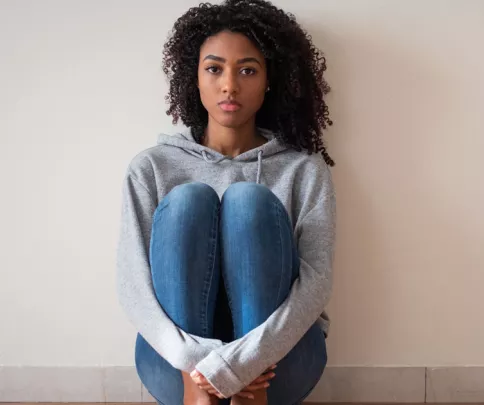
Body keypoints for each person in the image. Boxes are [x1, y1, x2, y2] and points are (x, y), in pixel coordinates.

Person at [116, 1, 336, 404]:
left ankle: (250, 398)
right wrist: (198, 362)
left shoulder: (303, 170)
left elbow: (317, 282)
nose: (229, 85)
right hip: (179, 365)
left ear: (270, 80)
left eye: (247, 70)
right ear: (194, 78)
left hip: (277, 365)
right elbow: (133, 284)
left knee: (249, 203)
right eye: (214, 69)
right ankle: (197, 397)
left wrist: (245, 362)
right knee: (187, 203)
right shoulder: (151, 167)